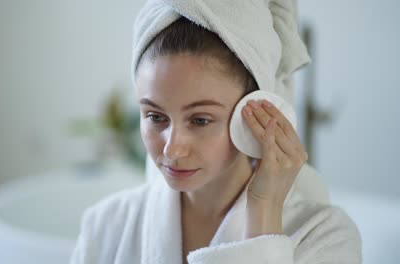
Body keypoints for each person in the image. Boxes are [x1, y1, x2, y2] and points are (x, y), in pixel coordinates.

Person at [70, 3, 362, 264]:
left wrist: (264, 211)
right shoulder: (106, 226)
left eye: (199, 120)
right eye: (156, 117)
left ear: (257, 112)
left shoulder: (325, 238)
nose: (172, 150)